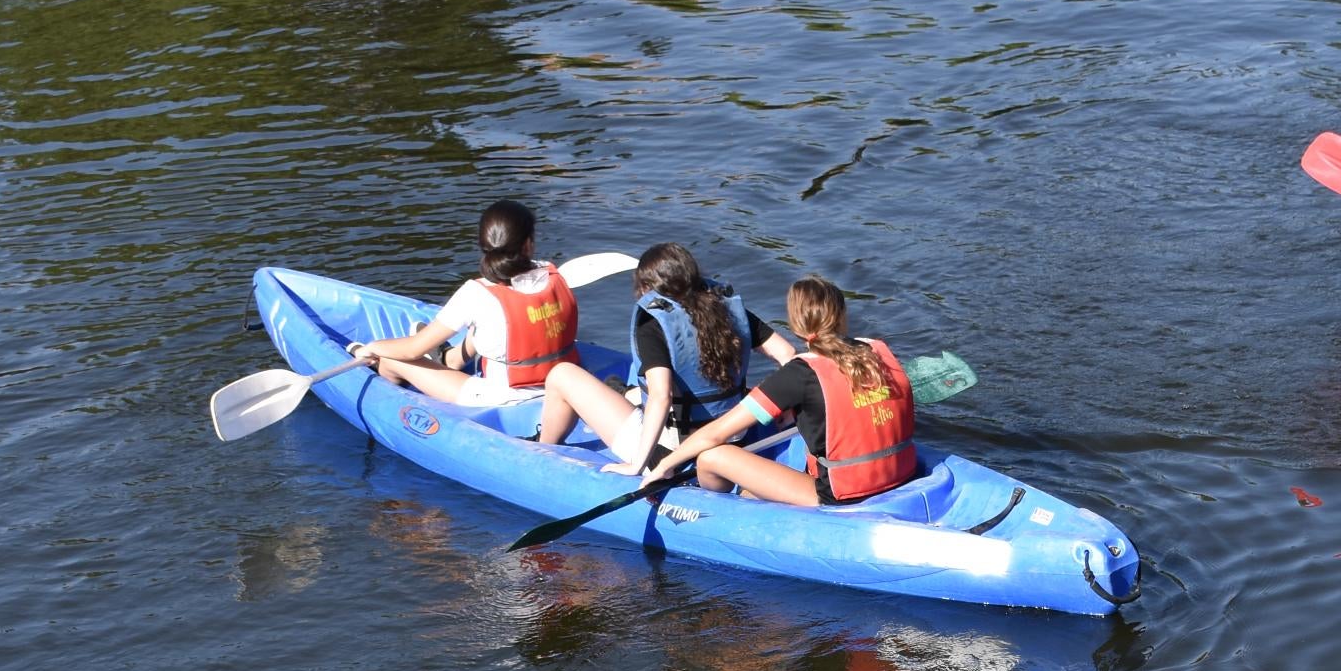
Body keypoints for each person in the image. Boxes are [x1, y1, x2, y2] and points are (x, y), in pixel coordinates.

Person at [637, 277, 919, 508]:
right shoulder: (877, 349)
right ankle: (751, 497)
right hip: (901, 472)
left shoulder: (797, 376)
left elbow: (716, 434)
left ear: (796, 326)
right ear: (843, 316)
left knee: (711, 456)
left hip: (840, 494)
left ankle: (718, 510)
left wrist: (664, 466)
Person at [531, 242, 793, 469]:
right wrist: (788, 409)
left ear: (647, 288)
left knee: (562, 375)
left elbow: (661, 396)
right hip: (735, 438)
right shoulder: (728, 310)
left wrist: (638, 465)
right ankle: (624, 393)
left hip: (673, 454)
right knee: (634, 392)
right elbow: (787, 354)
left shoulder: (654, 323)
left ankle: (541, 453)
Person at [347, 200, 579, 407]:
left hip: (503, 397)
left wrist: (371, 348)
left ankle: (394, 410)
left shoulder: (476, 294)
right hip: (562, 385)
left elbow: (412, 350)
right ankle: (452, 359)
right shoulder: (554, 275)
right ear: (528, 245)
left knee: (390, 359)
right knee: (494, 323)